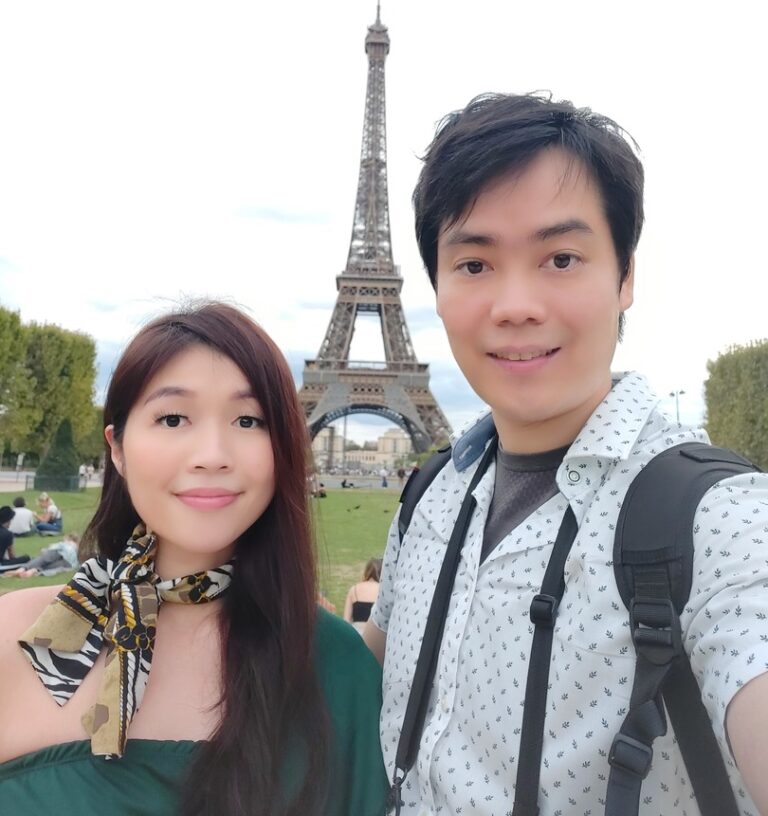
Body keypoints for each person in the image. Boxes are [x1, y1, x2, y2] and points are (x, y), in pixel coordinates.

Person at [363, 93, 768, 816]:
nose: (515, 304)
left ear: (626, 277)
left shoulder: (719, 525)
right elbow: (373, 663)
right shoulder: (429, 500)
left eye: (561, 257)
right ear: (436, 285)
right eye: (475, 264)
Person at [0, 302, 388, 816]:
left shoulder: (336, 668)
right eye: (173, 417)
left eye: (249, 420)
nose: (212, 453)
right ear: (116, 448)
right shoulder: (11, 636)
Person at [4, 534, 80, 578]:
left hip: (57, 552)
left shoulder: (66, 543)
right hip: (69, 562)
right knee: (52, 566)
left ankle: (22, 569)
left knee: (41, 560)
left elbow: (52, 549)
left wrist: (45, 550)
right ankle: (33, 571)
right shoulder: (77, 549)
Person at [343, 558, 381, 634]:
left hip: (356, 634)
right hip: (376, 635)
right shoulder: (383, 590)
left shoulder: (354, 590)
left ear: (366, 572)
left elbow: (346, 621)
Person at [0, 506, 30, 570]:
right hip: (1, 565)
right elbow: (12, 556)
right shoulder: (8, 534)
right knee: (27, 558)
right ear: (8, 520)